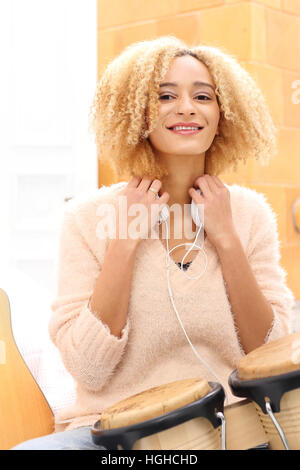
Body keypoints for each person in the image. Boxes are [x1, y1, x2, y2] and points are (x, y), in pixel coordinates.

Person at [11, 35, 295, 450]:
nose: (186, 107)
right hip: (116, 433)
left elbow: (270, 355)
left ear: (223, 114)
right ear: (135, 111)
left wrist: (228, 240)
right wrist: (124, 243)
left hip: (228, 425)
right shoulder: (86, 218)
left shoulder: (249, 214)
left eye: (203, 96)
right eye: (165, 95)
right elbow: (88, 370)